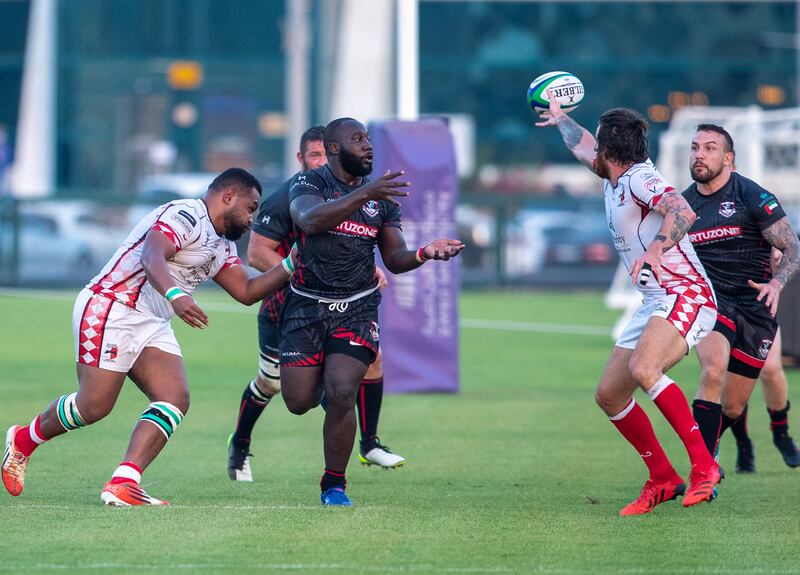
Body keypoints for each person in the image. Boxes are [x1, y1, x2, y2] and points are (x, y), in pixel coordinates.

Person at [2, 168, 295, 506]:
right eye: (249, 207)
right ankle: (24, 439)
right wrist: (176, 296)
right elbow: (151, 254)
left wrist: (290, 264)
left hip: (151, 320)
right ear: (228, 197)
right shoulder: (186, 214)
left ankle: (124, 481)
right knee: (93, 406)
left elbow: (246, 290)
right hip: (111, 306)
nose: (250, 219)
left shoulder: (221, 244)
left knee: (174, 397)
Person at [536, 96, 720, 516]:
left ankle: (704, 467)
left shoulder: (639, 178)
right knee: (610, 394)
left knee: (644, 368)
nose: (591, 149)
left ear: (610, 151)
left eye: (598, 143)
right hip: (657, 299)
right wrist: (563, 119)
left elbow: (682, 209)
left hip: (686, 292)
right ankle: (663, 478)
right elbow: (582, 145)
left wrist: (656, 249)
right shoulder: (612, 176)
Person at [280, 117, 463, 506]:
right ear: (333, 149)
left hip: (359, 309)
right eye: (357, 139)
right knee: (297, 402)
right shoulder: (309, 183)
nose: (367, 146)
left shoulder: (381, 197)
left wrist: (425, 253)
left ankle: (334, 485)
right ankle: (332, 408)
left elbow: (395, 258)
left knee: (343, 390)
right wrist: (365, 195)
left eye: (368, 139)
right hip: (306, 307)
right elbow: (311, 221)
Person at [227, 126, 405, 482]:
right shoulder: (291, 194)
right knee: (274, 384)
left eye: (325, 156)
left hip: (345, 306)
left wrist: (363, 267)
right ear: (301, 159)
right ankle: (240, 442)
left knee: (363, 368)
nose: (321, 162)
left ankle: (368, 444)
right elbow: (258, 251)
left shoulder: (354, 191)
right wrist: (298, 272)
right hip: (288, 306)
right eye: (314, 156)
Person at [683, 124, 800, 472]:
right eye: (695, 147)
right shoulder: (684, 205)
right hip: (712, 304)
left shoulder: (752, 195)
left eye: (710, 148)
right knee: (713, 371)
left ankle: (772, 434)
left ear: (728, 158)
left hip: (756, 307)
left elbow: (791, 247)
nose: (699, 155)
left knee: (733, 406)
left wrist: (777, 283)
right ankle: (701, 469)